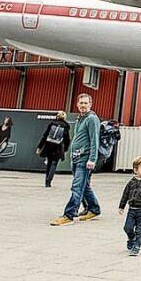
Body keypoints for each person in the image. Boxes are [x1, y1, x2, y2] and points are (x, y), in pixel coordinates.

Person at [50, 94, 101, 226]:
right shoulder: (80, 119)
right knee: (85, 186)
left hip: (85, 160)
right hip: (76, 158)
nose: (83, 105)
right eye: (81, 103)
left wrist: (92, 159)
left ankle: (69, 215)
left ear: (90, 104)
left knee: (77, 187)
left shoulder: (91, 119)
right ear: (77, 105)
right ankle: (94, 209)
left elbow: (94, 140)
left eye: (86, 103)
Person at [36, 111, 71, 188]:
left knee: (49, 163)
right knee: (54, 164)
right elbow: (67, 139)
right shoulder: (66, 126)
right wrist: (65, 149)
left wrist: (39, 147)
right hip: (58, 147)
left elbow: (45, 136)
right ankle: (49, 181)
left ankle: (46, 181)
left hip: (49, 145)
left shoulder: (52, 123)